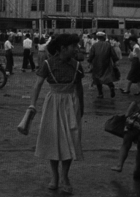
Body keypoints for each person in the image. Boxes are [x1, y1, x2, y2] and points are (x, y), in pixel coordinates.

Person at [28, 34, 84, 194]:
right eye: (74, 46)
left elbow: (79, 88)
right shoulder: (47, 64)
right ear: (62, 48)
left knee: (70, 141)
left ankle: (65, 176)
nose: (76, 49)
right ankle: (55, 177)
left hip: (72, 104)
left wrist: (82, 109)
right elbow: (37, 85)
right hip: (53, 104)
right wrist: (32, 104)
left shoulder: (77, 65)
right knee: (53, 140)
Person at [110, 102, 140, 179]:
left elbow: (133, 103)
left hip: (133, 122)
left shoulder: (138, 109)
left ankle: (119, 165)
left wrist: (126, 116)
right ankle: (137, 168)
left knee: (125, 145)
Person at [88, 31, 119, 98]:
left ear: (98, 38)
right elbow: (113, 54)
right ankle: (111, 86)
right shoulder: (108, 45)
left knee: (97, 79)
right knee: (107, 77)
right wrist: (115, 62)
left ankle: (100, 94)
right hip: (106, 64)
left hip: (96, 64)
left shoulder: (94, 45)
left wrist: (89, 62)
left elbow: (91, 55)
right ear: (104, 37)